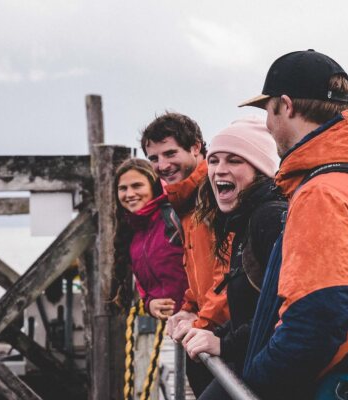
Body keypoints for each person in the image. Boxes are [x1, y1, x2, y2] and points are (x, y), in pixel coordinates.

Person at [239, 50, 348, 399]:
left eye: (268, 111)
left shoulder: (323, 194)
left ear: (286, 106)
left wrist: (255, 382)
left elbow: (313, 327)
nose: (267, 125)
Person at [181, 117, 286, 399]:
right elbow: (251, 308)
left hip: (273, 374)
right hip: (253, 364)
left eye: (234, 160)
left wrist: (224, 344)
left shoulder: (269, 218)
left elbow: (284, 311)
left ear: (261, 170)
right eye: (213, 160)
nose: (219, 170)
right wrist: (212, 331)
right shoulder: (242, 220)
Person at [140, 112, 230, 395]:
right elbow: (195, 266)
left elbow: (227, 270)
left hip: (224, 334)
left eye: (170, 153)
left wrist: (202, 322)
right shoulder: (185, 200)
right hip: (206, 330)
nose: (162, 165)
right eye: (154, 158)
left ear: (195, 147)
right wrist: (187, 308)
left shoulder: (217, 191)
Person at [111, 158, 188, 319]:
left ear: (154, 186)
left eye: (137, 186)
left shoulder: (175, 216)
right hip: (174, 325)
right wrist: (150, 304)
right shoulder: (132, 232)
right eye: (123, 188)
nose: (129, 194)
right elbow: (145, 288)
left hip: (202, 320)